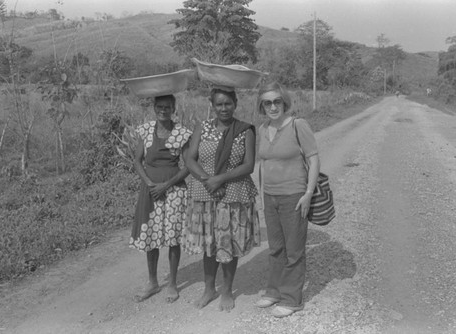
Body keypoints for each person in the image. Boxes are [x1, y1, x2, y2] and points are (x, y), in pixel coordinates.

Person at [182, 87, 260, 312]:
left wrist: (221, 179)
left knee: (229, 244)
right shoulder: (202, 127)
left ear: (235, 103)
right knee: (210, 244)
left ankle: (226, 290)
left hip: (234, 193)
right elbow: (190, 159)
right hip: (204, 193)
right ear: (212, 105)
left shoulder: (245, 131)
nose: (224, 108)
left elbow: (248, 165)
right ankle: (209, 289)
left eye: (228, 103)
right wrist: (209, 180)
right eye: (219, 104)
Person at [255, 82, 320, 318]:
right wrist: (263, 196)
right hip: (270, 196)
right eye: (267, 102)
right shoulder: (262, 129)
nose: (273, 106)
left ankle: (292, 299)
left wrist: (308, 193)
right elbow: (263, 164)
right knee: (276, 249)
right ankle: (274, 291)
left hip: (294, 195)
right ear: (262, 106)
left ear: (284, 102)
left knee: (294, 250)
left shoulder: (297, 125)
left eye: (277, 101)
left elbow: (313, 160)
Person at [130, 94, 192, 303]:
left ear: (174, 108)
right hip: (150, 192)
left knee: (173, 238)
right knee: (151, 237)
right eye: (159, 106)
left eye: (167, 107)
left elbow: (188, 165)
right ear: (154, 107)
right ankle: (153, 282)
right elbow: (137, 161)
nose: (163, 110)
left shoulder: (182, 133)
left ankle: (173, 283)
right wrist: (149, 184)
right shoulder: (146, 130)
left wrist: (166, 185)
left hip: (174, 192)